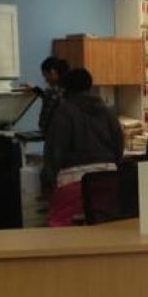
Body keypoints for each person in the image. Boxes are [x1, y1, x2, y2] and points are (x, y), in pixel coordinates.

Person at [43, 67, 124, 226]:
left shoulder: (63, 112)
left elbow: (54, 152)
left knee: (61, 224)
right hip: (106, 178)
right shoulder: (107, 112)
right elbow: (118, 146)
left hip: (72, 180)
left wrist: (48, 182)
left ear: (66, 88)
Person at [22, 56, 69, 130]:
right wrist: (35, 90)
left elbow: (50, 101)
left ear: (52, 72)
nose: (46, 80)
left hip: (55, 132)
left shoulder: (56, 91)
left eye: (45, 75)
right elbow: (47, 97)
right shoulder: (63, 88)